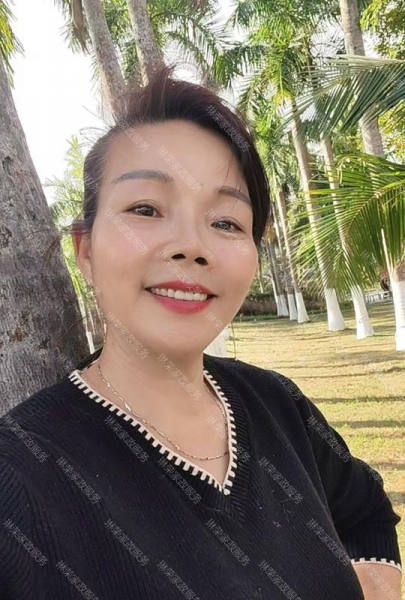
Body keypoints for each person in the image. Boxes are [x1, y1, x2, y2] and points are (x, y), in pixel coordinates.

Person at [0, 64, 401, 600]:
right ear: (86, 250)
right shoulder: (19, 478)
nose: (192, 245)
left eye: (226, 222)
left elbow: (366, 512)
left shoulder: (278, 404)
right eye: (145, 208)